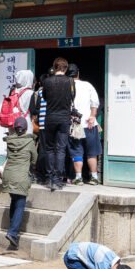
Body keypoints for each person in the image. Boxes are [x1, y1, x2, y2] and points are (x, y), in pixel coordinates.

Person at [0, 117, 36, 250]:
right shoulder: (30, 142)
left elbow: (9, 156)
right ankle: (13, 233)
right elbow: (34, 159)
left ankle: (12, 228)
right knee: (20, 205)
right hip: (21, 176)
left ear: (14, 128)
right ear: (26, 128)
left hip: (9, 175)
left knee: (14, 201)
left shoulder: (10, 141)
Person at [42, 57, 75, 191]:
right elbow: (73, 97)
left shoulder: (47, 81)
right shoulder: (70, 81)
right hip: (64, 118)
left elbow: (44, 97)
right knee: (60, 149)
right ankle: (57, 179)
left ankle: (49, 178)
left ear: (54, 67)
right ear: (66, 68)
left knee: (49, 149)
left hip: (50, 117)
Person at [68, 64, 100, 185]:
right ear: (78, 73)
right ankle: (94, 177)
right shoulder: (88, 85)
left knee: (77, 151)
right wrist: (92, 116)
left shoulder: (67, 86)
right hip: (89, 124)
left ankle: (78, 177)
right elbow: (95, 102)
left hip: (74, 125)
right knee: (92, 152)